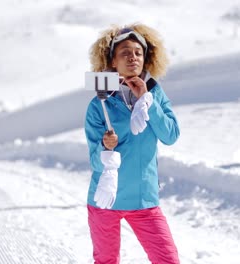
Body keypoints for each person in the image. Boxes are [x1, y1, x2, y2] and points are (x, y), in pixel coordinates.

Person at [84, 23, 180, 263]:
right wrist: (106, 147)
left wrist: (147, 100)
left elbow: (171, 135)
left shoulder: (155, 94)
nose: (133, 57)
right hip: (106, 199)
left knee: (168, 260)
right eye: (125, 52)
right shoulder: (99, 104)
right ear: (112, 62)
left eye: (138, 52)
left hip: (144, 199)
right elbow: (95, 161)